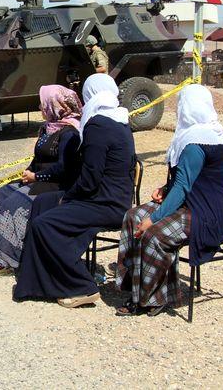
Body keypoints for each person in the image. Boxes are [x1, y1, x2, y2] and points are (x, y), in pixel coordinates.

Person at [14, 74, 135, 308]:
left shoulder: (98, 126)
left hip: (105, 203)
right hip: (104, 197)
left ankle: (81, 286)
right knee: (41, 204)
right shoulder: (117, 119)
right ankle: (37, 281)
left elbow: (90, 179)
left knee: (45, 224)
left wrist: (67, 198)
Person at [115, 84, 223, 316]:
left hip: (206, 214)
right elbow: (185, 180)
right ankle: (134, 286)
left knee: (154, 233)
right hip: (189, 203)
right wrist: (165, 188)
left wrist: (155, 218)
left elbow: (183, 186)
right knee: (132, 216)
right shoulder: (197, 134)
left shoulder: (199, 140)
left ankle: (151, 298)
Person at [0, 85, 83, 278]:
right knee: (0, 195)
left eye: (43, 104)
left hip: (56, 184)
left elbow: (64, 168)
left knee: (14, 205)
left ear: (55, 106)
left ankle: (8, 259)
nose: (40, 108)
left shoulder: (70, 133)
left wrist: (37, 176)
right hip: (38, 179)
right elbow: (38, 158)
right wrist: (30, 170)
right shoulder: (48, 128)